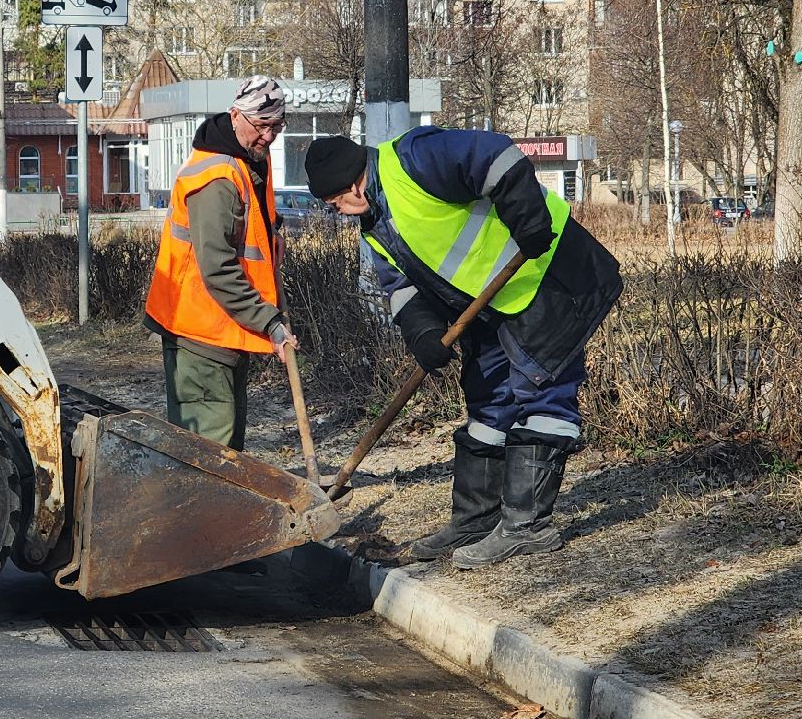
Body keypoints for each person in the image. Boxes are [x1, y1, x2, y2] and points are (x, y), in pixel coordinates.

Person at [303, 129, 621, 568]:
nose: (337, 211)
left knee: (542, 393)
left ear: (352, 184)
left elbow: (494, 154)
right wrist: (423, 335)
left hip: (549, 274)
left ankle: (527, 528)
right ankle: (476, 518)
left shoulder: (414, 158)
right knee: (488, 402)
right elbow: (401, 288)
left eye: (335, 201)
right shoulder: (374, 225)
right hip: (491, 304)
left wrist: (527, 217)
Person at [143, 76, 298, 449]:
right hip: (198, 332)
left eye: (276, 127)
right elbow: (218, 269)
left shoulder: (247, 162)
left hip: (221, 327)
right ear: (235, 116)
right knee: (209, 455)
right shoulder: (217, 179)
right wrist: (270, 323)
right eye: (261, 126)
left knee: (224, 449)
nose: (268, 136)